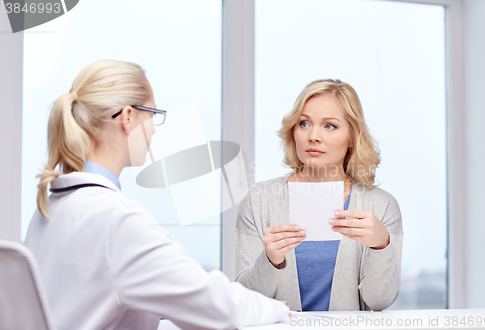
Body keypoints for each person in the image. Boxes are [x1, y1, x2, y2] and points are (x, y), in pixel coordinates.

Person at [24, 60, 288, 330]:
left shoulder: (48, 208)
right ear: (128, 117)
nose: (152, 129)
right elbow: (216, 307)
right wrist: (280, 309)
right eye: (151, 114)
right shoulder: (116, 218)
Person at [235, 79, 403, 312]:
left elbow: (379, 301)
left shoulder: (381, 206)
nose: (313, 136)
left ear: (352, 137)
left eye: (330, 126)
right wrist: (270, 260)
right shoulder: (260, 200)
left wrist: (380, 246)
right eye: (304, 123)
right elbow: (244, 300)